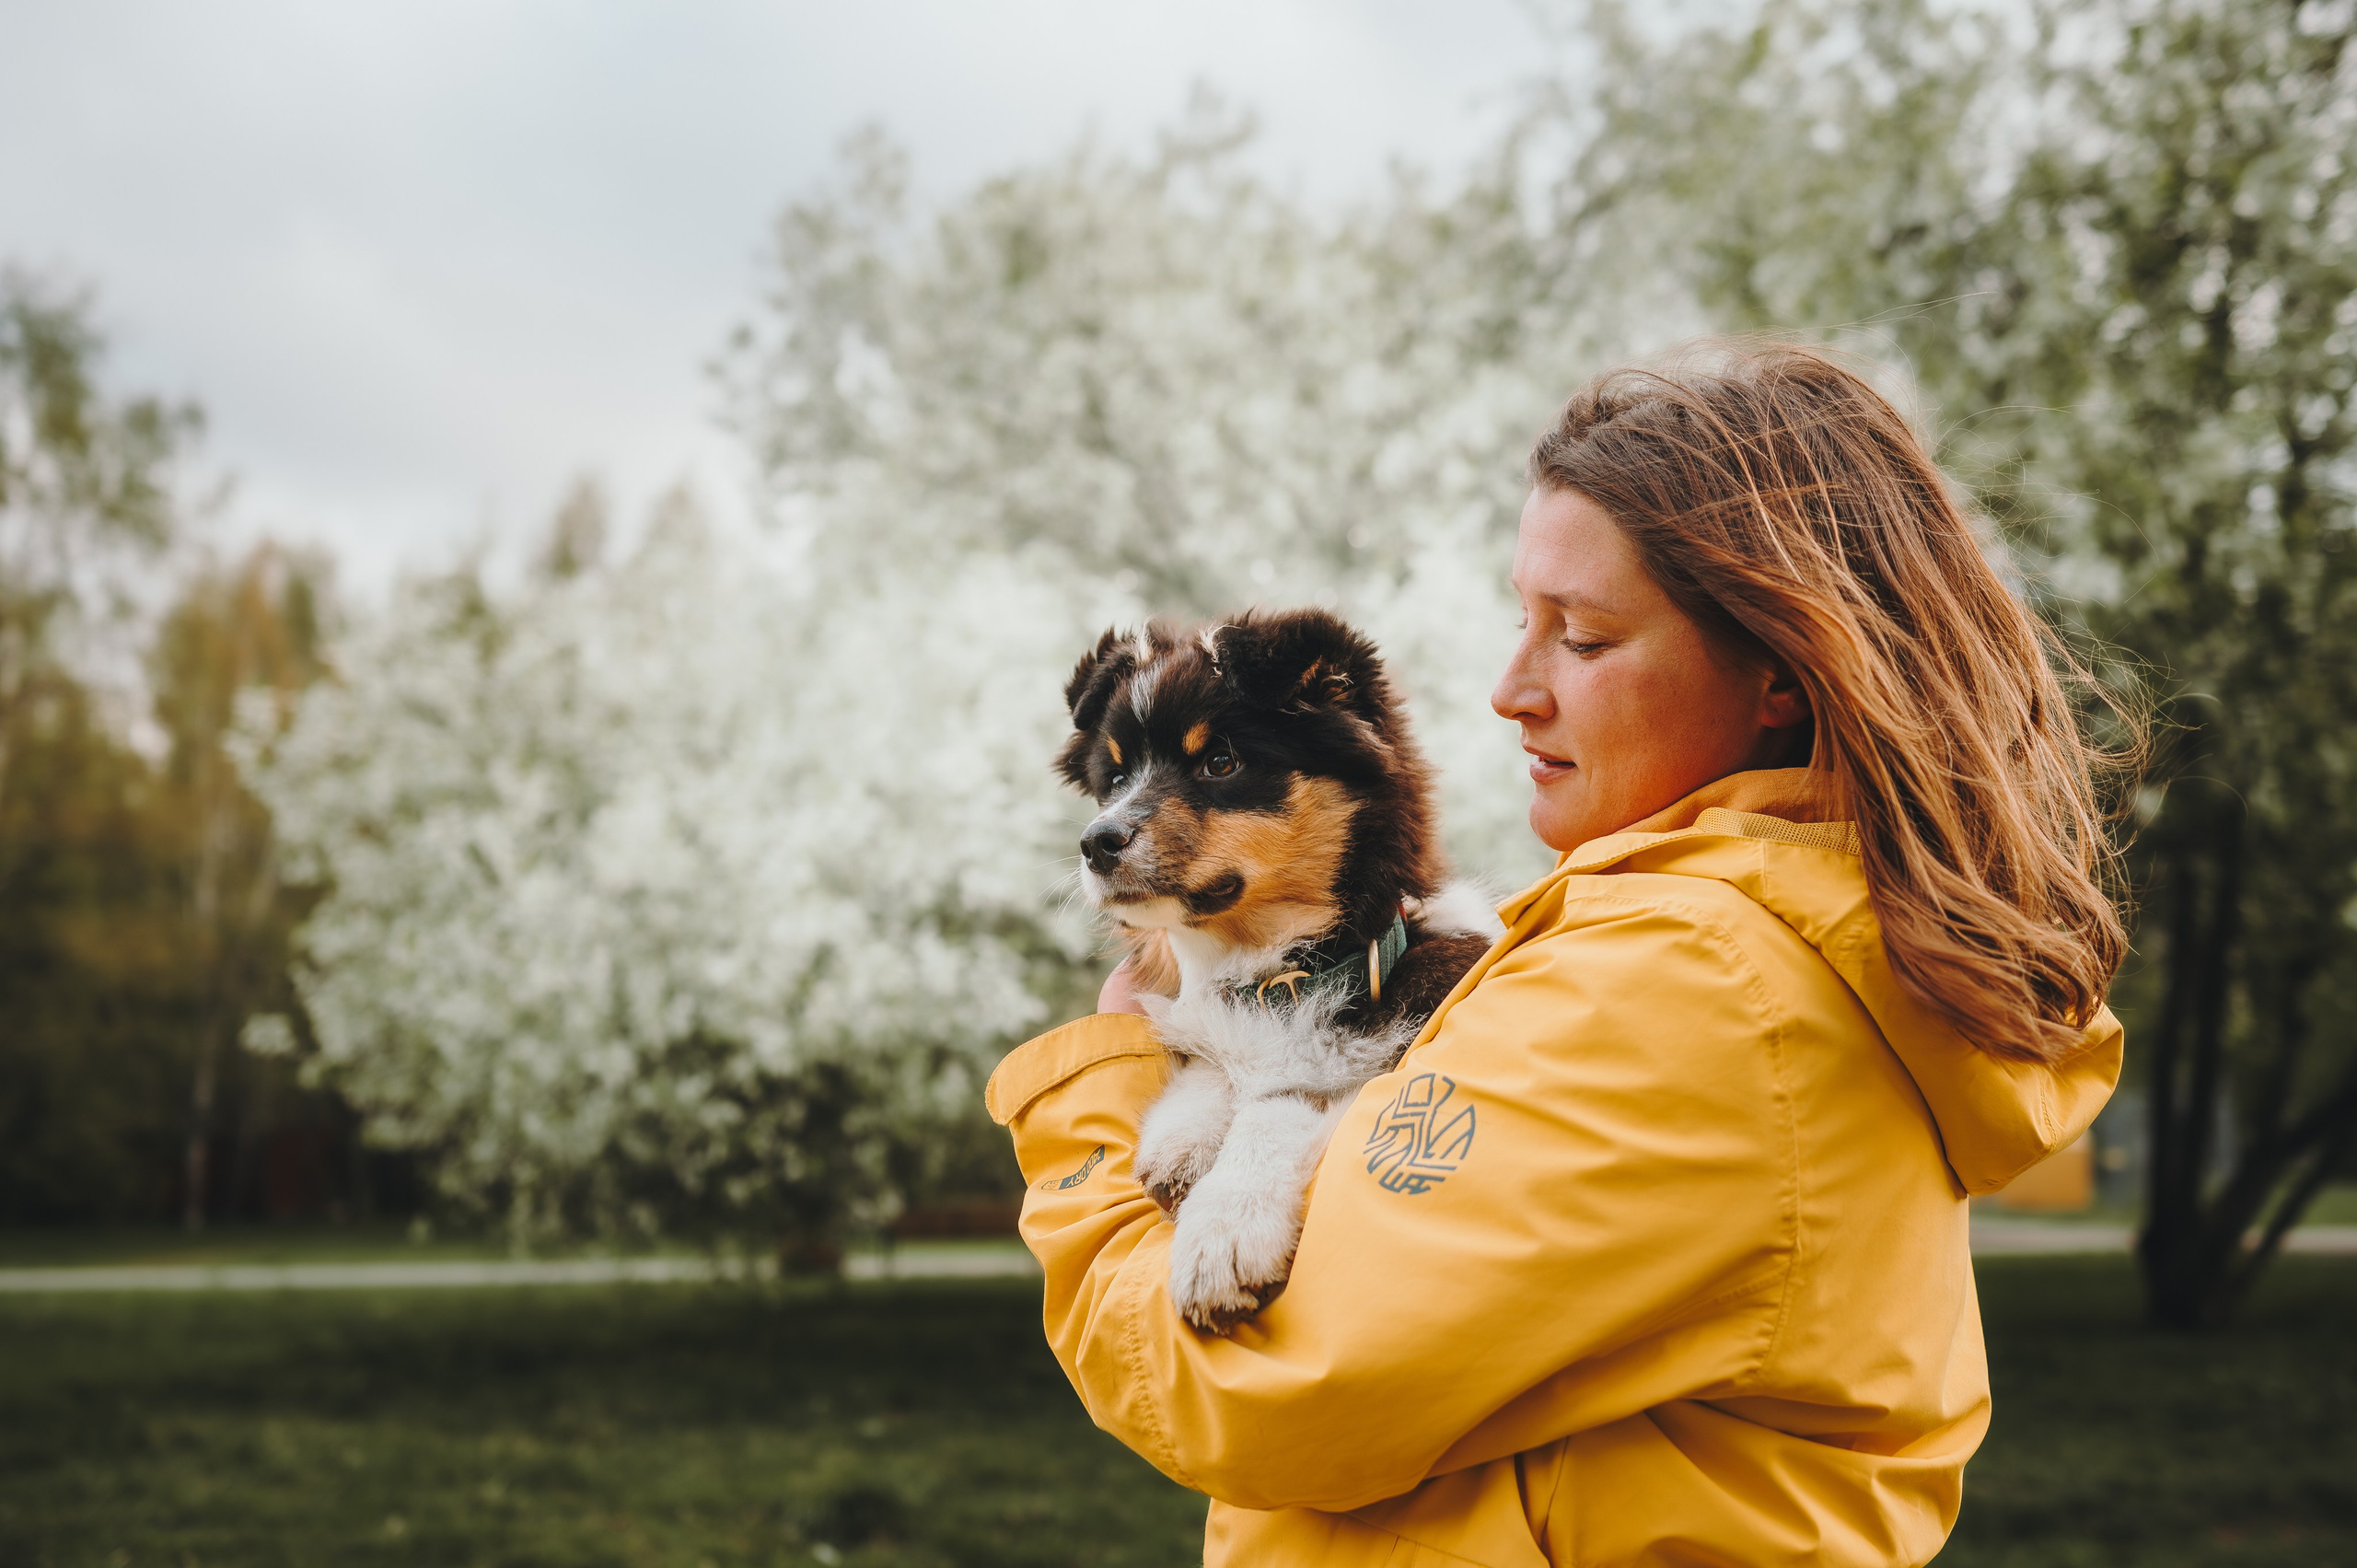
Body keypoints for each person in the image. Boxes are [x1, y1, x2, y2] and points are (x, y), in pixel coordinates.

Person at [986, 342, 2128, 1567]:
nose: (1509, 690)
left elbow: (1263, 1388)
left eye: (1581, 638)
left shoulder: (1690, 987)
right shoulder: (1719, 945)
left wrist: (1099, 1123)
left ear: (1782, 677)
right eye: (1520, 622)